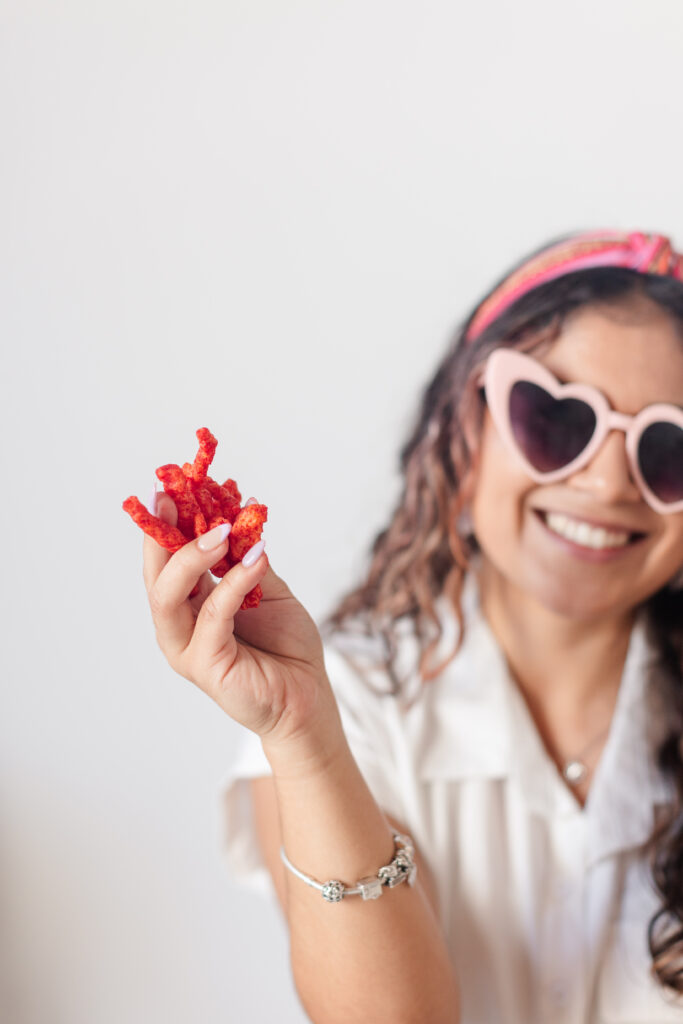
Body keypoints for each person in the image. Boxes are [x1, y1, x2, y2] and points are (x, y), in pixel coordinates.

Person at [142, 228, 683, 1024]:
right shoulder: (346, 700)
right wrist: (303, 736)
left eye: (666, 448)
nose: (604, 482)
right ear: (462, 428)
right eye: (554, 417)